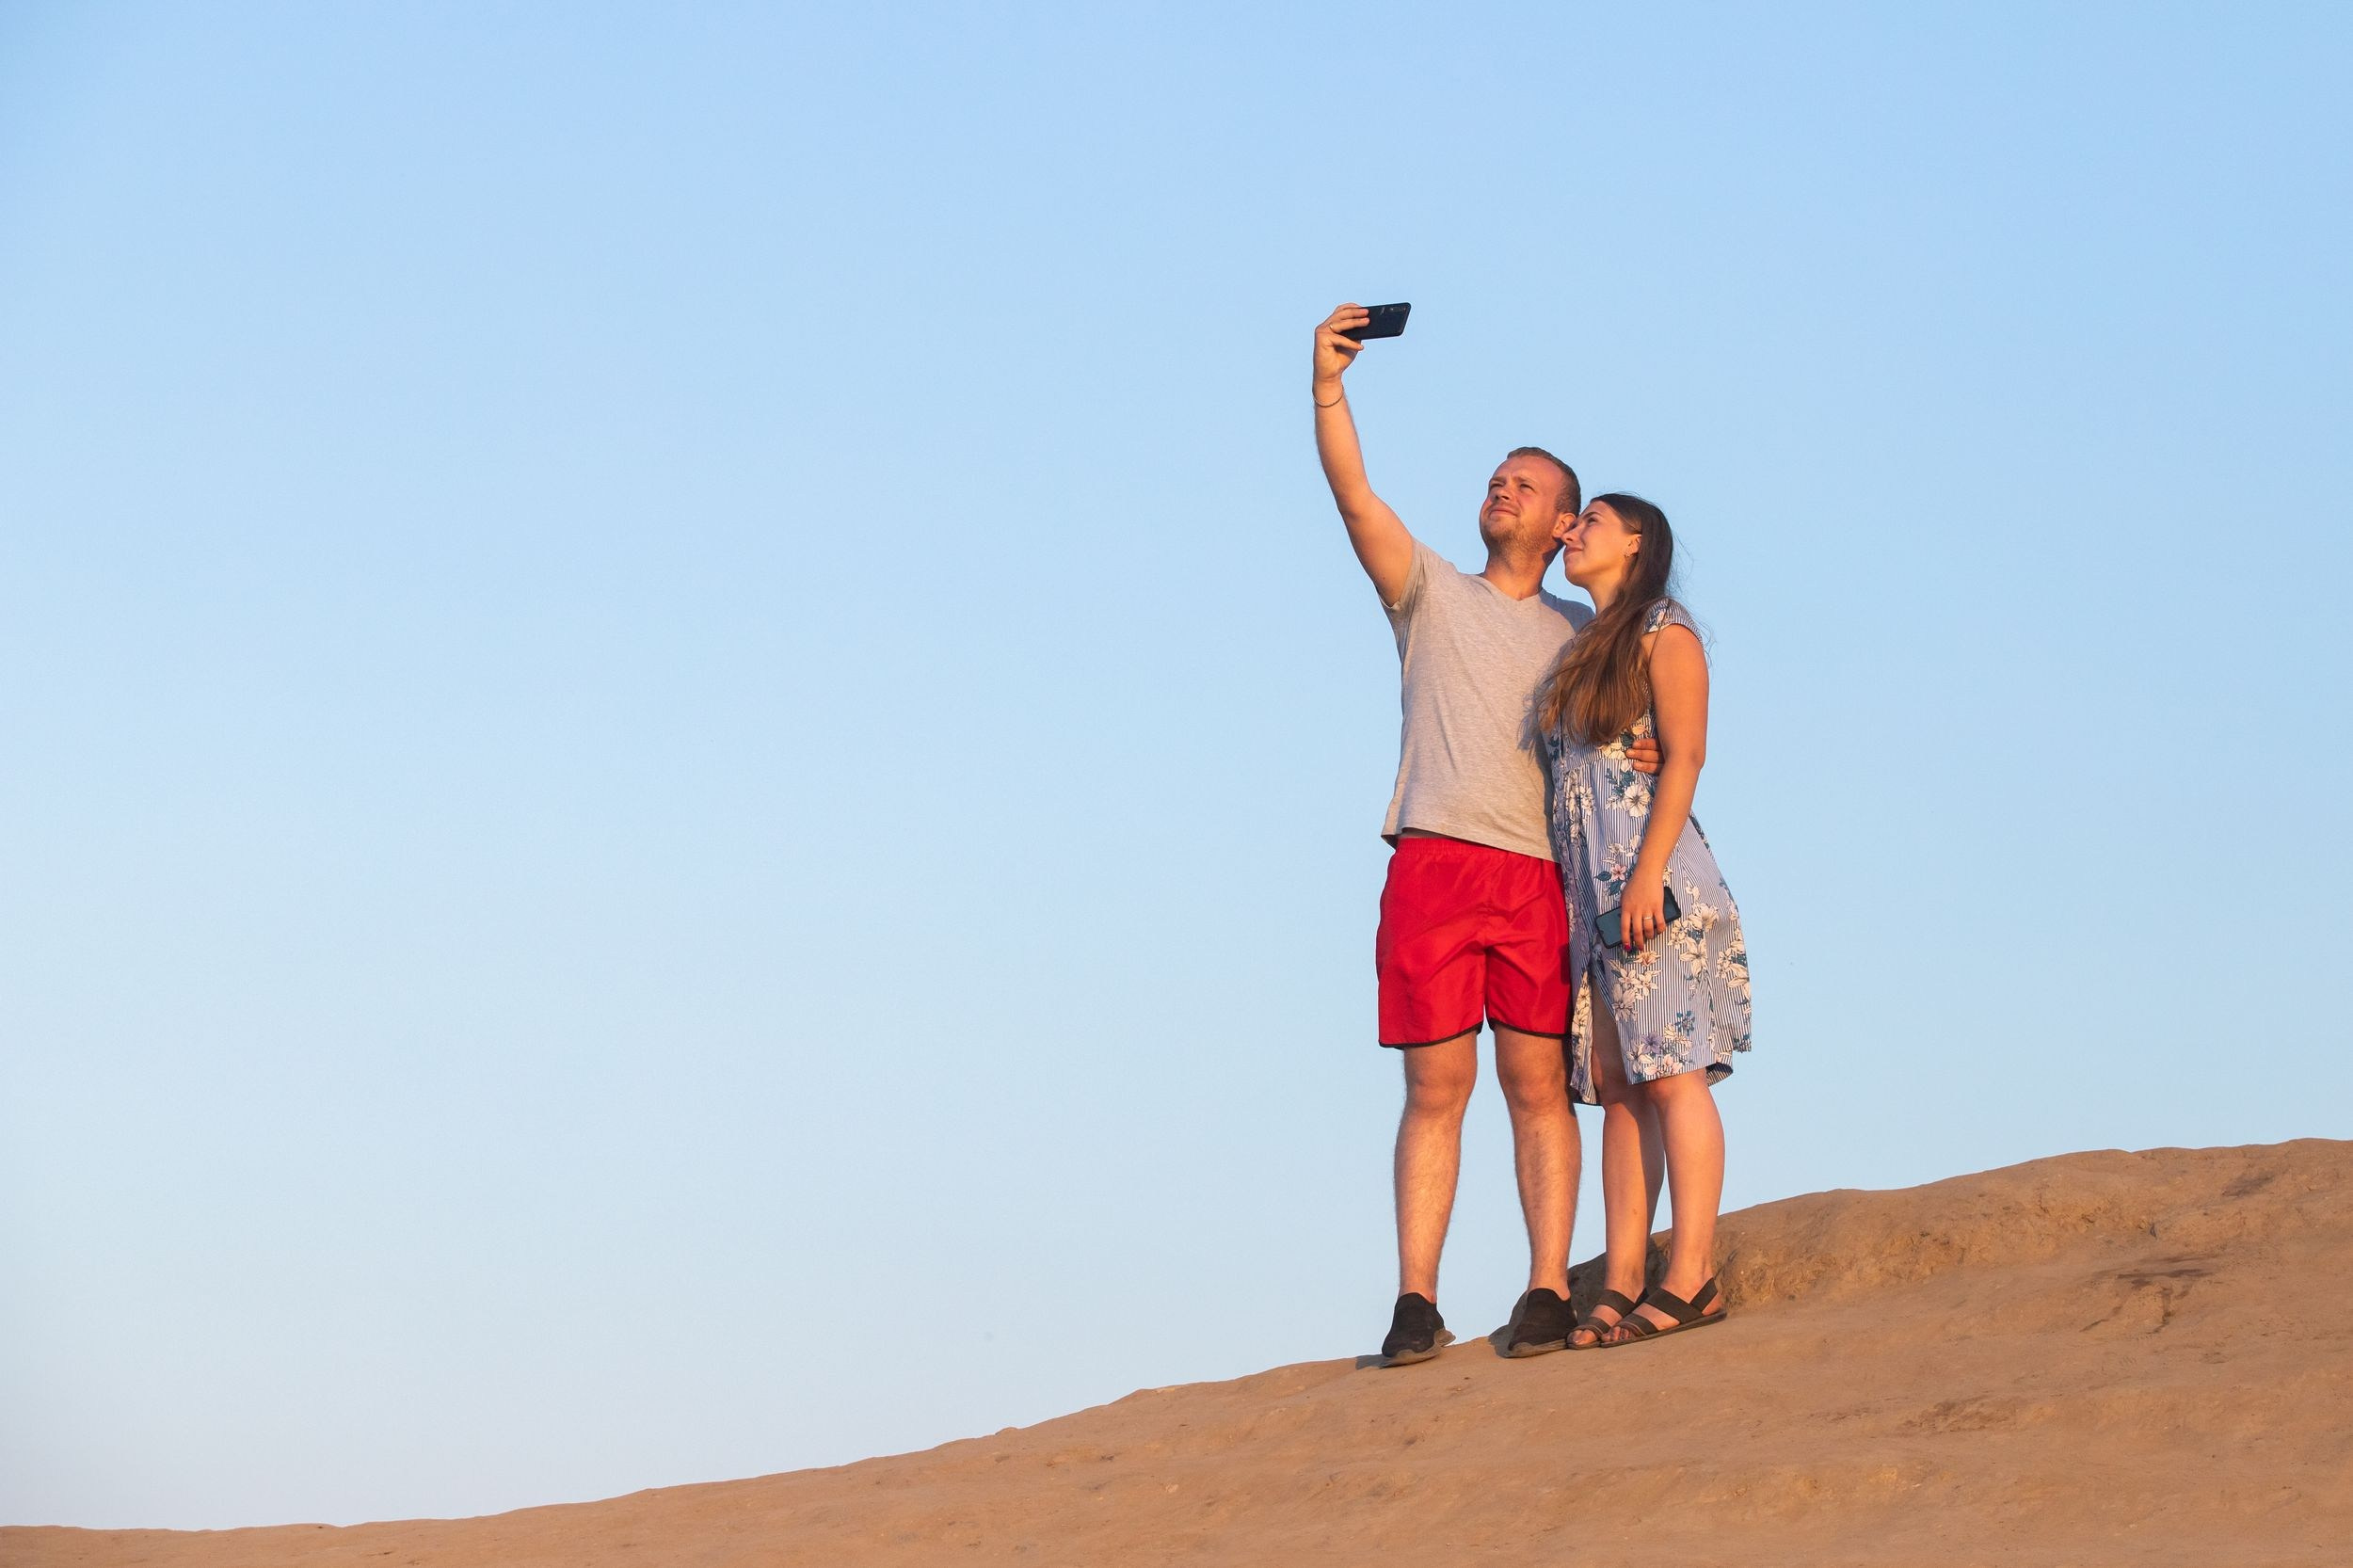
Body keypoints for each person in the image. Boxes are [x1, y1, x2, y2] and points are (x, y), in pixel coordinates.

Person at [1312, 304, 1657, 1365]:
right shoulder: (1427, 590)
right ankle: (1416, 1301)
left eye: (1525, 484)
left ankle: (1546, 1288)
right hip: (1433, 857)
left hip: (1539, 876)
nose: (1500, 488)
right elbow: (1355, 496)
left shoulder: (1585, 635)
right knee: (1435, 1087)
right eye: (1496, 478)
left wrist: (1645, 750)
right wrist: (1328, 388)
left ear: (1564, 525)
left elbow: (1641, 736)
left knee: (1537, 1085)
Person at [1535, 492, 1753, 1349]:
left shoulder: (1665, 627)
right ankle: (1624, 1277)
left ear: (1635, 543)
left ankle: (1692, 1273)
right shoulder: (1585, 647)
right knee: (1620, 1085)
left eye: (1590, 520)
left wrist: (1647, 875)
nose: (1574, 530)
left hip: (1647, 882)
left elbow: (1686, 753)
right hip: (1593, 896)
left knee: (1672, 1072)